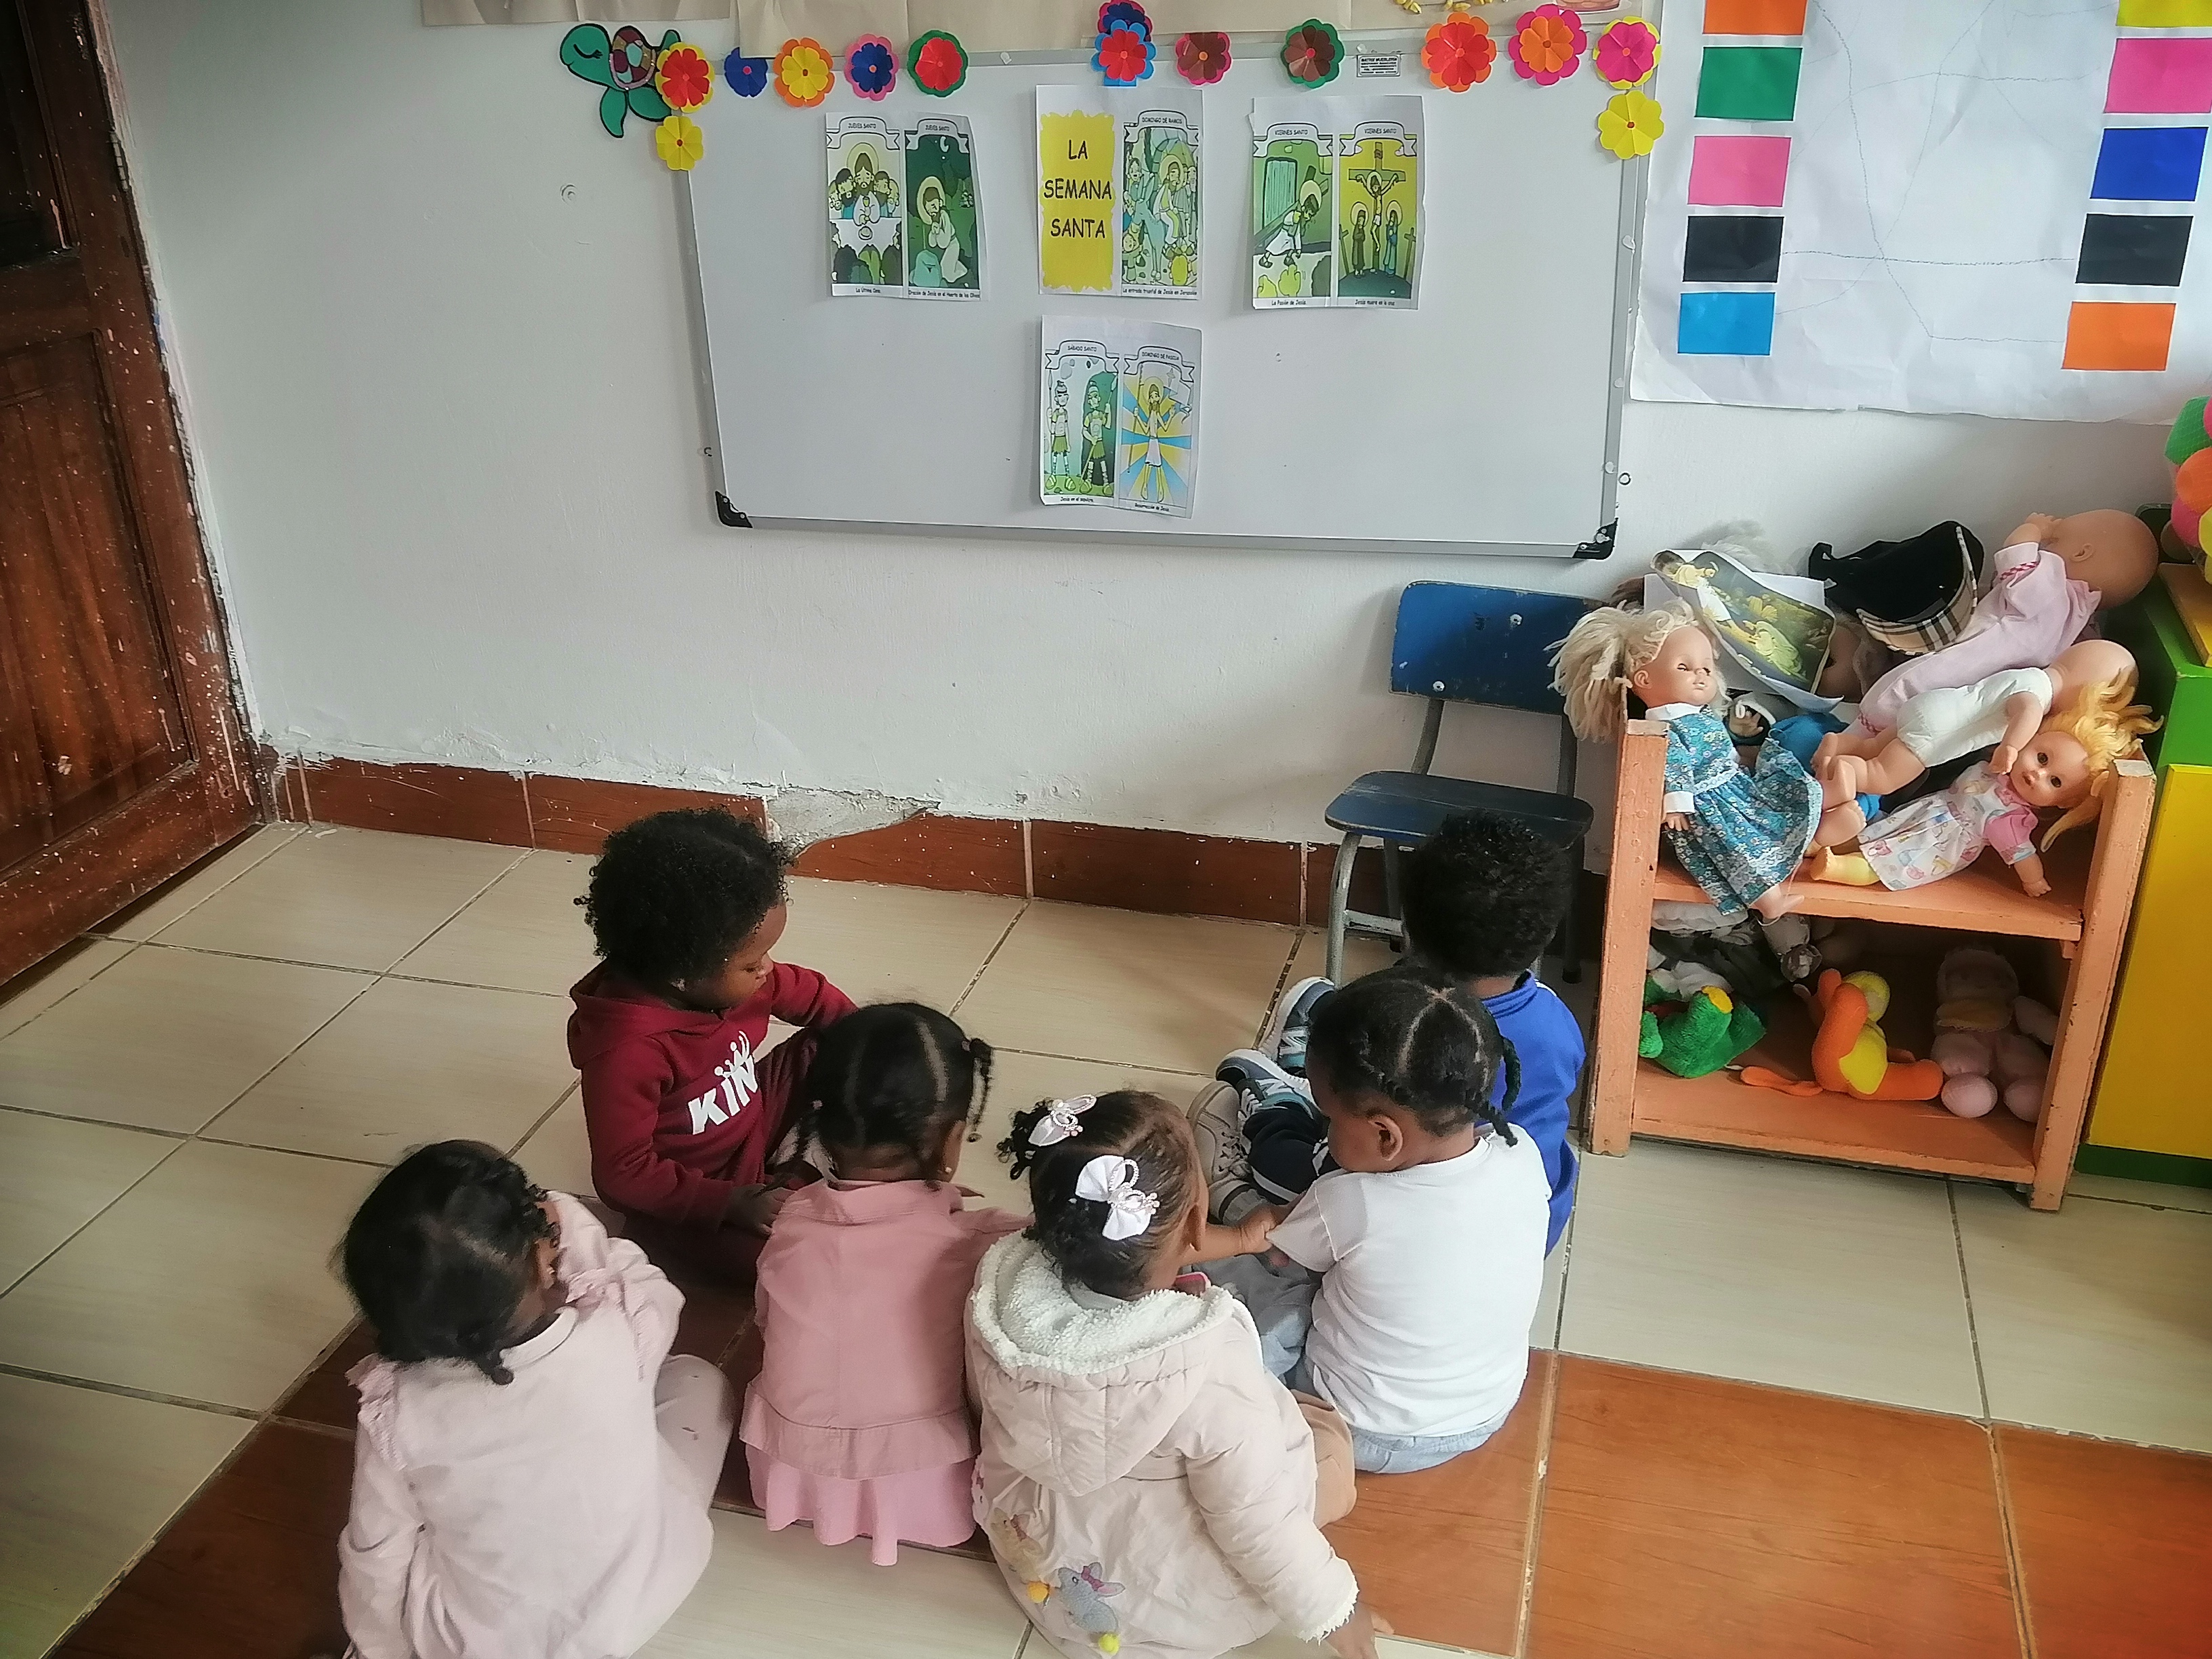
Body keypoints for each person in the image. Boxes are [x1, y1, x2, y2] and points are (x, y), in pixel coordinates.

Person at [968, 1090, 1382, 1659]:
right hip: (1175, 1615)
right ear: (1195, 1221)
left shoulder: (1003, 1295)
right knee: (1325, 1438)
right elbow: (1257, 1523)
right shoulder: (1207, 1365)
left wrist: (1238, 1239)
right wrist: (1337, 1610)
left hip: (1042, 1565)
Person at [335, 1142, 731, 1659]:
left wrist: (378, 1650)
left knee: (408, 1545)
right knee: (700, 1381)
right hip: (639, 1598)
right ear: (547, 1258)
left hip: (483, 1646)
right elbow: (641, 1277)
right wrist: (566, 1213)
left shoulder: (399, 1413)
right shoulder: (622, 1325)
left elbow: (375, 1554)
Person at [1204, 967, 1551, 1475]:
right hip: (1482, 1414)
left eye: (1329, 1117)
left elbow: (1275, 1251)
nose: (1328, 1128)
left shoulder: (1351, 1200)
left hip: (1354, 1426)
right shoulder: (1522, 1154)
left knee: (1240, 1282)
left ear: (1387, 1136)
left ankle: (1229, 1193)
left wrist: (1239, 1229)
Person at [1194, 809, 1583, 1254]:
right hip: (1535, 1220)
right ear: (1544, 935)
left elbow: (1376, 1155)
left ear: (1407, 927)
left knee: (1303, 1149)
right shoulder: (1555, 1016)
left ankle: (1275, 1108)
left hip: (1421, 1226)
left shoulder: (1430, 1043)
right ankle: (1317, 1074)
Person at [741, 1003, 1025, 1565]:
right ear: (953, 1142)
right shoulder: (981, 1242)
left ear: (821, 1129)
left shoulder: (791, 1220)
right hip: (927, 1483)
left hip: (784, 1470)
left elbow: (766, 1322)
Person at [568, 809, 854, 1282]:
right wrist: (728, 1202)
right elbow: (624, 1174)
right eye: (752, 962)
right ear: (683, 972)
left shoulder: (725, 975)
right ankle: (772, 1196)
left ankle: (795, 1178)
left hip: (751, 1123)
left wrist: (876, 1040)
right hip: (700, 1189)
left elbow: (813, 996)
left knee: (839, 1044)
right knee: (778, 1265)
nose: (768, 968)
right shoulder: (629, 1051)